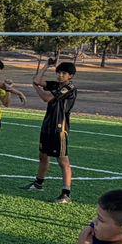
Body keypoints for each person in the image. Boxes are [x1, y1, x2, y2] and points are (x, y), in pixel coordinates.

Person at [25, 61, 77, 204]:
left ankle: (66, 194)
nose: (60, 75)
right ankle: (38, 184)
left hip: (59, 128)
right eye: (58, 72)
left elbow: (46, 98)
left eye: (64, 73)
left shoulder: (69, 88)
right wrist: (46, 66)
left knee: (63, 160)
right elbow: (37, 80)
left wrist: (36, 88)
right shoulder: (56, 85)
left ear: (70, 76)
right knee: (43, 155)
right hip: (47, 125)